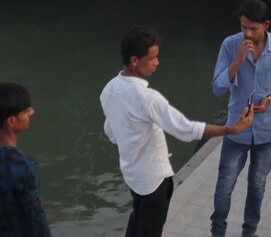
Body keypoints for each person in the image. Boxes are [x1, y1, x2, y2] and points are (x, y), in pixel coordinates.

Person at [101, 27, 254, 237]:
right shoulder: (147, 98)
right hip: (154, 179)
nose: (157, 62)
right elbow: (185, 130)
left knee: (137, 220)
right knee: (149, 229)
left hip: (132, 175)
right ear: (135, 60)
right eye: (152, 58)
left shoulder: (109, 89)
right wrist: (231, 129)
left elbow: (110, 131)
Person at [209, 0, 271, 237]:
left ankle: (250, 232)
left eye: (253, 29)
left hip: (266, 130)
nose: (247, 34)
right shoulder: (230, 45)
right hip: (236, 130)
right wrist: (237, 61)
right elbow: (217, 87)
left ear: (266, 25)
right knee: (224, 186)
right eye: (243, 27)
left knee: (257, 185)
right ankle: (217, 232)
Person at [0, 82, 51, 237]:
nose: (32, 112)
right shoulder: (25, 165)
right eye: (26, 111)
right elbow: (35, 218)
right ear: (11, 121)